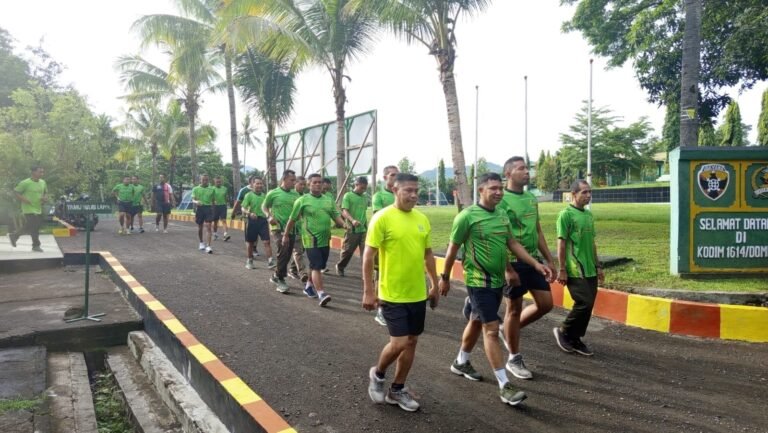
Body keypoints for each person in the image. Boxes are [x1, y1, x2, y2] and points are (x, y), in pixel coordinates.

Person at [440, 173, 552, 406]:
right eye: (493, 188)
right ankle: (504, 385)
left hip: (497, 281)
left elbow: (511, 243)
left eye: (500, 188)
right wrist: (445, 278)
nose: (499, 192)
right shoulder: (467, 217)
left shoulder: (502, 214)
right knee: (491, 329)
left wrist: (534, 263)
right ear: (480, 190)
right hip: (478, 281)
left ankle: (461, 362)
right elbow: (452, 250)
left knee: (476, 321)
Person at [363, 173, 439, 412]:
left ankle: (397, 389)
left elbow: (427, 255)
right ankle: (378, 374)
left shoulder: (422, 219)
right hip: (392, 293)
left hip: (417, 293)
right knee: (399, 342)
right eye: (408, 190)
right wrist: (368, 291)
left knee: (412, 341)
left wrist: (434, 284)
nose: (414, 195)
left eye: (416, 190)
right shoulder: (382, 218)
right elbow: (368, 256)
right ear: (394, 190)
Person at [495, 156, 558, 379]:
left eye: (527, 168)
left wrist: (549, 259)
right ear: (509, 174)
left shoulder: (532, 198)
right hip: (512, 262)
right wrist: (507, 269)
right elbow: (500, 236)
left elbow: (538, 230)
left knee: (546, 304)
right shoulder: (501, 200)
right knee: (513, 308)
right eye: (521, 169)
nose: (527, 172)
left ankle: (507, 331)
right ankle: (514, 357)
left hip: (533, 260)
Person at [554, 180, 604, 356]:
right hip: (575, 267)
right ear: (573, 194)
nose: (588, 195)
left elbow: (592, 243)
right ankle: (563, 330)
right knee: (584, 302)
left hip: (590, 267)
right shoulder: (565, 215)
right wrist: (562, 269)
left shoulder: (588, 216)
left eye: (590, 192)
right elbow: (561, 243)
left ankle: (575, 338)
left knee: (589, 306)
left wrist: (598, 266)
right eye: (584, 192)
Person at [283, 174, 345, 307]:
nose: (318, 184)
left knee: (317, 265)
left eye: (320, 182)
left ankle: (309, 286)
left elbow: (336, 216)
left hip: (325, 238)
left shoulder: (328, 200)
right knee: (316, 265)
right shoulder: (302, 200)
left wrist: (345, 225)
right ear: (308, 184)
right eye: (314, 182)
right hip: (310, 238)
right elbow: (292, 219)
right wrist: (286, 235)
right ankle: (321, 293)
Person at [370, 165, 399, 326]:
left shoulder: (400, 194)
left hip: (398, 244)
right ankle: (380, 309)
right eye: (392, 175)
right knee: (380, 275)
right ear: (385, 178)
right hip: (383, 243)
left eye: (397, 174)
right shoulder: (378, 196)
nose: (395, 177)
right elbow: (378, 219)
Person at [262, 170, 299, 293]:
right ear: (284, 179)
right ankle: (281, 280)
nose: (294, 183)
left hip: (292, 228)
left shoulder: (296, 195)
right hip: (277, 228)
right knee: (283, 250)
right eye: (292, 180)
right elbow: (264, 206)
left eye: (295, 180)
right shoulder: (273, 193)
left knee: (287, 254)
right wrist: (269, 216)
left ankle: (276, 275)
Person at [335, 176, 369, 277]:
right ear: (356, 184)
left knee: (366, 253)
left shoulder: (364, 197)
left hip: (363, 230)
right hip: (352, 230)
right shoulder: (348, 196)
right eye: (362, 188)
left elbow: (363, 212)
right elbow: (344, 211)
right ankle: (340, 266)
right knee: (348, 252)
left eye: (365, 188)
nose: (363, 190)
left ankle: (366, 274)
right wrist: (352, 220)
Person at [9, 166, 48, 252]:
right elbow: (16, 192)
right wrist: (24, 199)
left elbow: (45, 192)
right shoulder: (25, 183)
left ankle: (15, 236)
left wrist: (45, 198)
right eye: (40, 172)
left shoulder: (43, 182)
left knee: (32, 225)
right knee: (34, 226)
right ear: (33, 172)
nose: (42, 174)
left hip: (38, 208)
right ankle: (36, 245)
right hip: (28, 208)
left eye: (42, 172)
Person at [241, 178, 273, 269]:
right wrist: (249, 213)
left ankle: (270, 261)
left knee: (266, 241)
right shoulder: (248, 195)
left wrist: (270, 216)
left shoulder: (265, 196)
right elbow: (243, 208)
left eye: (261, 184)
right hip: (252, 221)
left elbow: (268, 207)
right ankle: (249, 260)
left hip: (263, 221)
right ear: (252, 184)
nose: (259, 185)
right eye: (257, 183)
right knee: (250, 242)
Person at [288, 176, 309, 281]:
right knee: (297, 251)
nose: (303, 186)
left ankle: (292, 269)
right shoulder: (290, 195)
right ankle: (303, 273)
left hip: (304, 229)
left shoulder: (306, 197)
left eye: (304, 184)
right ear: (295, 183)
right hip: (293, 227)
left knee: (301, 250)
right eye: (301, 184)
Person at [191, 174, 215, 254]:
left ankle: (208, 246)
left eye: (206, 180)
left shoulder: (212, 189)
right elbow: (193, 200)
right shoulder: (195, 189)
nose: (205, 181)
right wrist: (196, 202)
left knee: (208, 226)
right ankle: (201, 242)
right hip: (200, 209)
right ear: (200, 180)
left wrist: (213, 208)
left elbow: (213, 201)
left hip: (208, 209)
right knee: (200, 227)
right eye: (203, 180)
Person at [211, 176, 231, 241]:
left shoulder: (224, 188)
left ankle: (225, 235)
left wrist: (226, 203)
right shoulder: (212, 189)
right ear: (214, 182)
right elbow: (210, 197)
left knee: (224, 220)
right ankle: (215, 234)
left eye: (219, 182)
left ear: (221, 182)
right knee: (215, 221)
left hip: (223, 206)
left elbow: (226, 197)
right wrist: (213, 202)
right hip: (215, 207)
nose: (218, 183)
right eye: (217, 182)